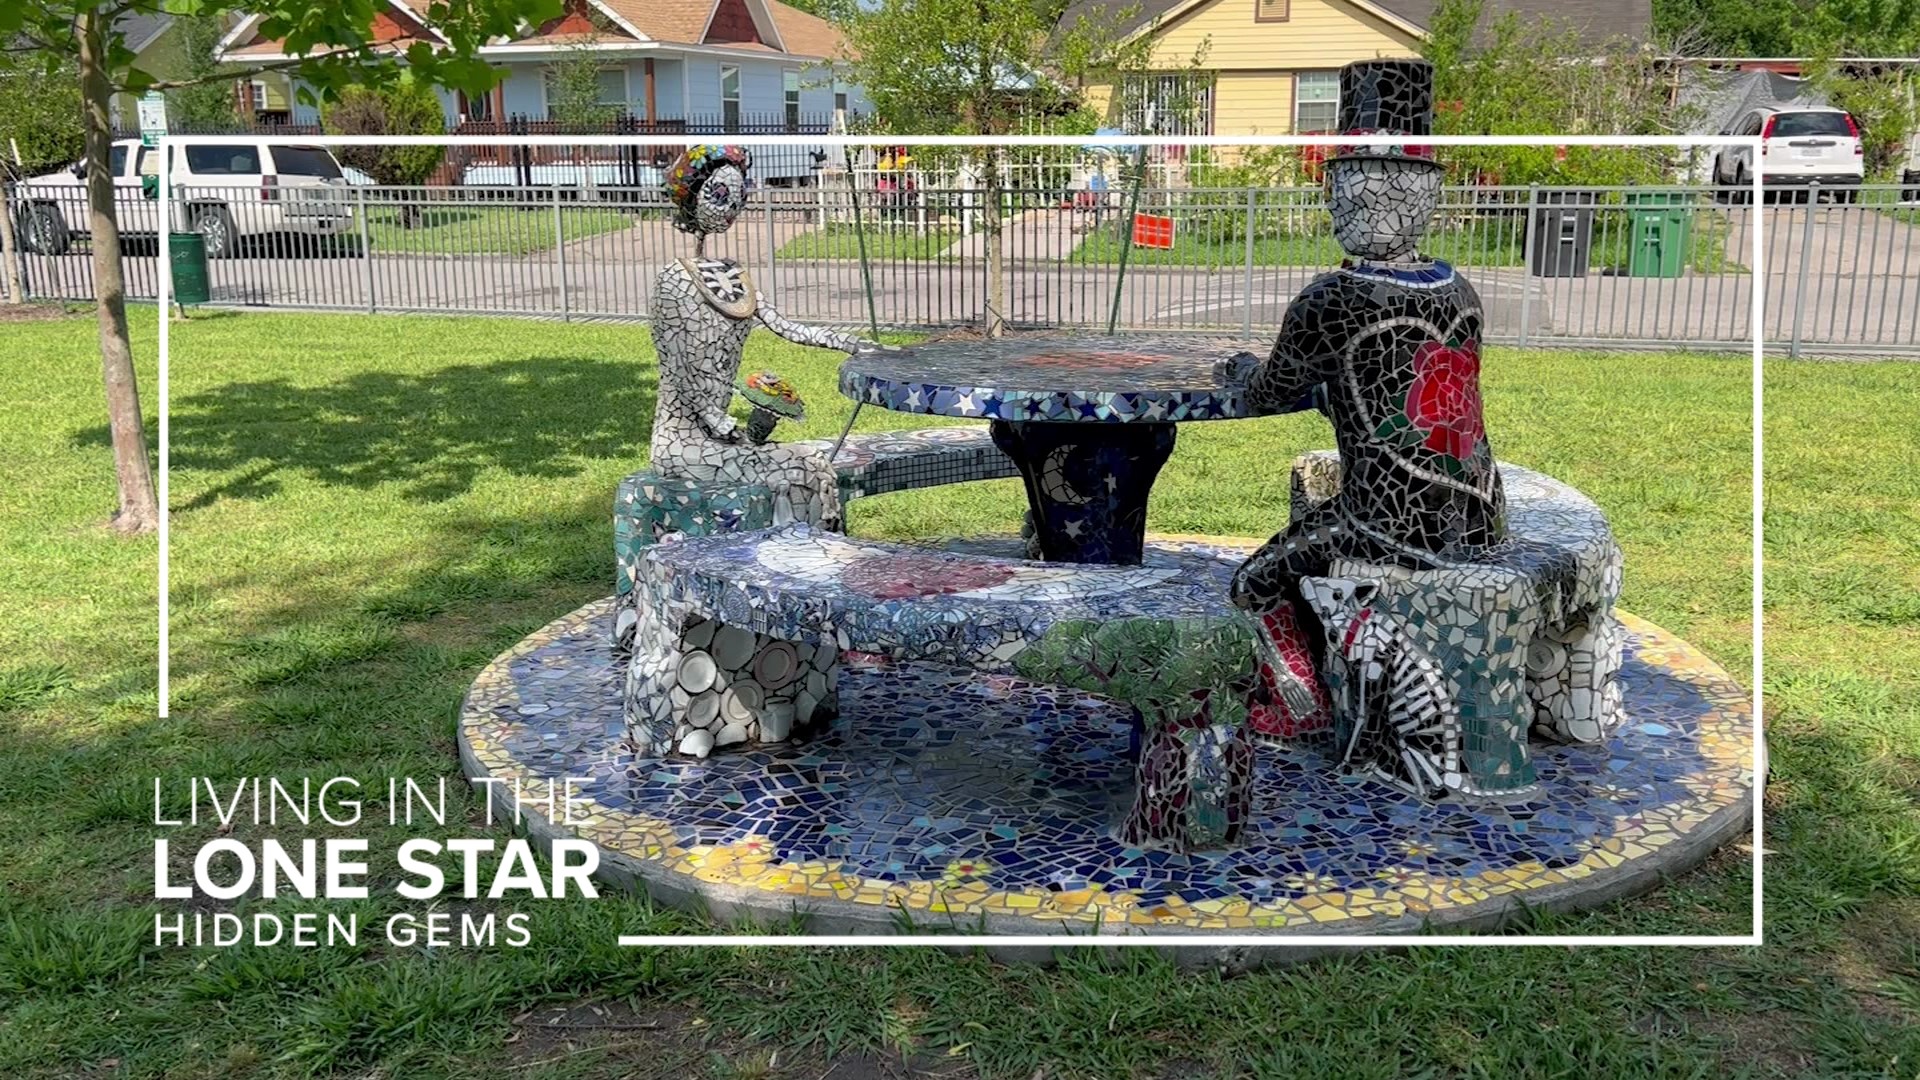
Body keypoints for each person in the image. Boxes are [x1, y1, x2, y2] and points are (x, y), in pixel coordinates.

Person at [1222, 59, 1507, 729]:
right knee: (1310, 520)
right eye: (1349, 191)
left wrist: (1240, 373)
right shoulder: (1457, 289)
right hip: (1481, 518)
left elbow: (1266, 395)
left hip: (1388, 529)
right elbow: (1398, 388)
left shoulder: (1332, 299)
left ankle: (1302, 706)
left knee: (1252, 583)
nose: (1357, 207)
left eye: (1371, 192)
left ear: (1422, 197)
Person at [648, 145, 888, 529]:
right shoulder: (673, 279)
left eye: (739, 197)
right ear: (692, 196)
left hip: (724, 436)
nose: (730, 208)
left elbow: (784, 325)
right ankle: (790, 561)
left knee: (814, 463)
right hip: (684, 441)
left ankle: (819, 557)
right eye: (721, 194)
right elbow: (675, 361)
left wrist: (848, 342)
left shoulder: (732, 272)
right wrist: (715, 418)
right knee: (793, 475)